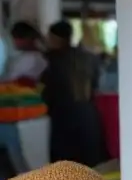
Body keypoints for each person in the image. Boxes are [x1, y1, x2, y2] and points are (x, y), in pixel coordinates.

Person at [40, 20, 107, 167]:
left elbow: (47, 88)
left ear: (56, 38)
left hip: (64, 115)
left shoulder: (53, 59)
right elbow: (96, 84)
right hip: (89, 115)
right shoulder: (89, 57)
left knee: (64, 164)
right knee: (91, 162)